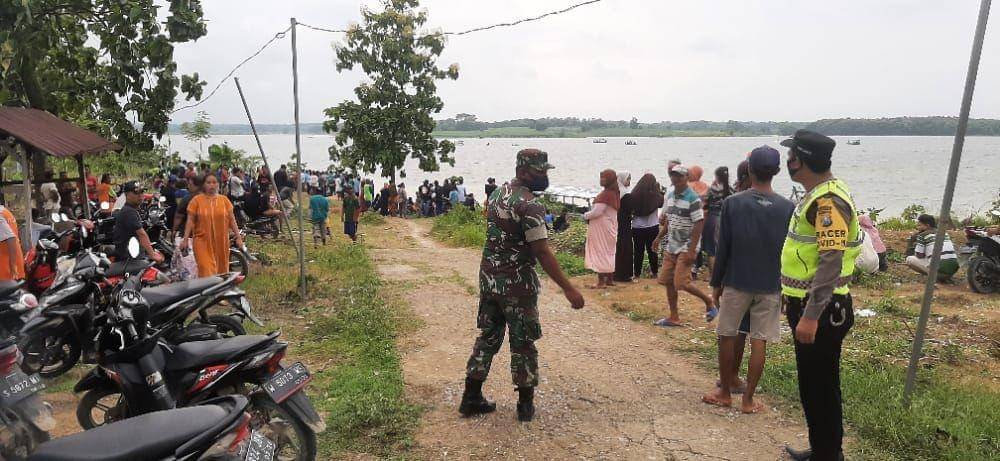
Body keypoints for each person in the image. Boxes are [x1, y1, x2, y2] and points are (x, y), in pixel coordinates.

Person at [460, 148, 585, 423]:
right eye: (541, 171)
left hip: (490, 279)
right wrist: (568, 288)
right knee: (523, 341)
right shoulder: (531, 205)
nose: (545, 176)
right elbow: (542, 251)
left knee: (488, 336)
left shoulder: (496, 194)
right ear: (524, 171)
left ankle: (470, 397)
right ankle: (525, 406)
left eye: (546, 171)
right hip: (517, 285)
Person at [780, 130, 862, 461]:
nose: (788, 162)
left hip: (822, 311)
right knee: (815, 386)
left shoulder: (827, 202)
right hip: (818, 307)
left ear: (801, 160)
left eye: (791, 157)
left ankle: (828, 455)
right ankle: (824, 450)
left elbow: (830, 261)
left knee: (820, 387)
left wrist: (811, 315)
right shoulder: (819, 194)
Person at [702, 146, 794, 414]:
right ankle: (748, 400)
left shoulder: (733, 203)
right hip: (770, 285)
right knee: (759, 341)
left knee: (727, 335)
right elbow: (788, 252)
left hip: (736, 281)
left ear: (749, 170)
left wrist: (716, 284)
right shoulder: (788, 207)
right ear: (777, 172)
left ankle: (724, 392)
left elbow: (724, 249)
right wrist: (786, 286)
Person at [654, 164, 717, 327]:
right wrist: (659, 238)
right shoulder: (671, 196)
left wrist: (692, 249)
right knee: (667, 281)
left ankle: (709, 301)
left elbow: (699, 223)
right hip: (672, 245)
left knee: (681, 283)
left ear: (686, 178)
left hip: (686, 246)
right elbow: (669, 219)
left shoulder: (693, 199)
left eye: (679, 176)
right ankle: (673, 316)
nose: (675, 179)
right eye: (673, 175)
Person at [179, 174, 244, 277]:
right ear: (203, 185)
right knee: (206, 270)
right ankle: (207, 291)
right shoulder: (196, 201)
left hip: (221, 243)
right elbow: (190, 220)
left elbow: (232, 220)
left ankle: (219, 293)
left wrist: (238, 238)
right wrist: (185, 239)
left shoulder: (224, 201)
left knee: (221, 272)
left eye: (214, 182)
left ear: (219, 184)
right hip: (201, 242)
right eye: (208, 182)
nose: (211, 185)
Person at [583, 169, 620, 288]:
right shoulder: (614, 193)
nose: (601, 180)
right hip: (610, 227)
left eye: (603, 178)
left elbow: (597, 212)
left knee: (600, 251)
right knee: (609, 252)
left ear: (609, 180)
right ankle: (609, 279)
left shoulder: (605, 195)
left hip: (601, 229)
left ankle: (601, 282)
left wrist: (585, 215)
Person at [113, 181, 164, 263]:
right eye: (136, 193)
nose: (140, 196)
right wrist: (152, 254)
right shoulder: (129, 212)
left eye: (142, 192)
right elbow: (141, 234)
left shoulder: (132, 209)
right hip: (130, 259)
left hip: (131, 255)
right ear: (127, 195)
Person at [905, 214, 959, 282]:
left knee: (909, 259)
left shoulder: (922, 235)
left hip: (938, 269)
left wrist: (912, 241)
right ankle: (946, 276)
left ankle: (935, 276)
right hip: (953, 270)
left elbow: (919, 255)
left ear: (927, 225)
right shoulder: (945, 233)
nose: (917, 228)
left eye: (919, 225)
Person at [631, 173, 664, 278]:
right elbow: (661, 204)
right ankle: (655, 273)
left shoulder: (634, 195)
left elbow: (630, 209)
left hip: (637, 227)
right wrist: (659, 191)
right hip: (652, 227)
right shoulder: (656, 195)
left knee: (638, 251)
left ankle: (637, 274)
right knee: (652, 251)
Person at [702, 166, 734, 274]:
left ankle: (712, 275)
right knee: (722, 247)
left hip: (713, 218)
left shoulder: (712, 189)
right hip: (726, 219)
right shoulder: (730, 189)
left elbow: (705, 203)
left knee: (711, 249)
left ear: (717, 176)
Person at [613, 171, 634, 283]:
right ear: (622, 179)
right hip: (624, 224)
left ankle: (614, 272)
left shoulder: (615, 192)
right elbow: (630, 210)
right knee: (625, 247)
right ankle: (624, 274)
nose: (629, 181)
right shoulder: (626, 194)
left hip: (615, 223)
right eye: (628, 179)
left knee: (616, 247)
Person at [0, 202, 25, 281]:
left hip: (6, 269)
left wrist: (12, 266)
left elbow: (11, 238)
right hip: (13, 265)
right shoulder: (4, 211)